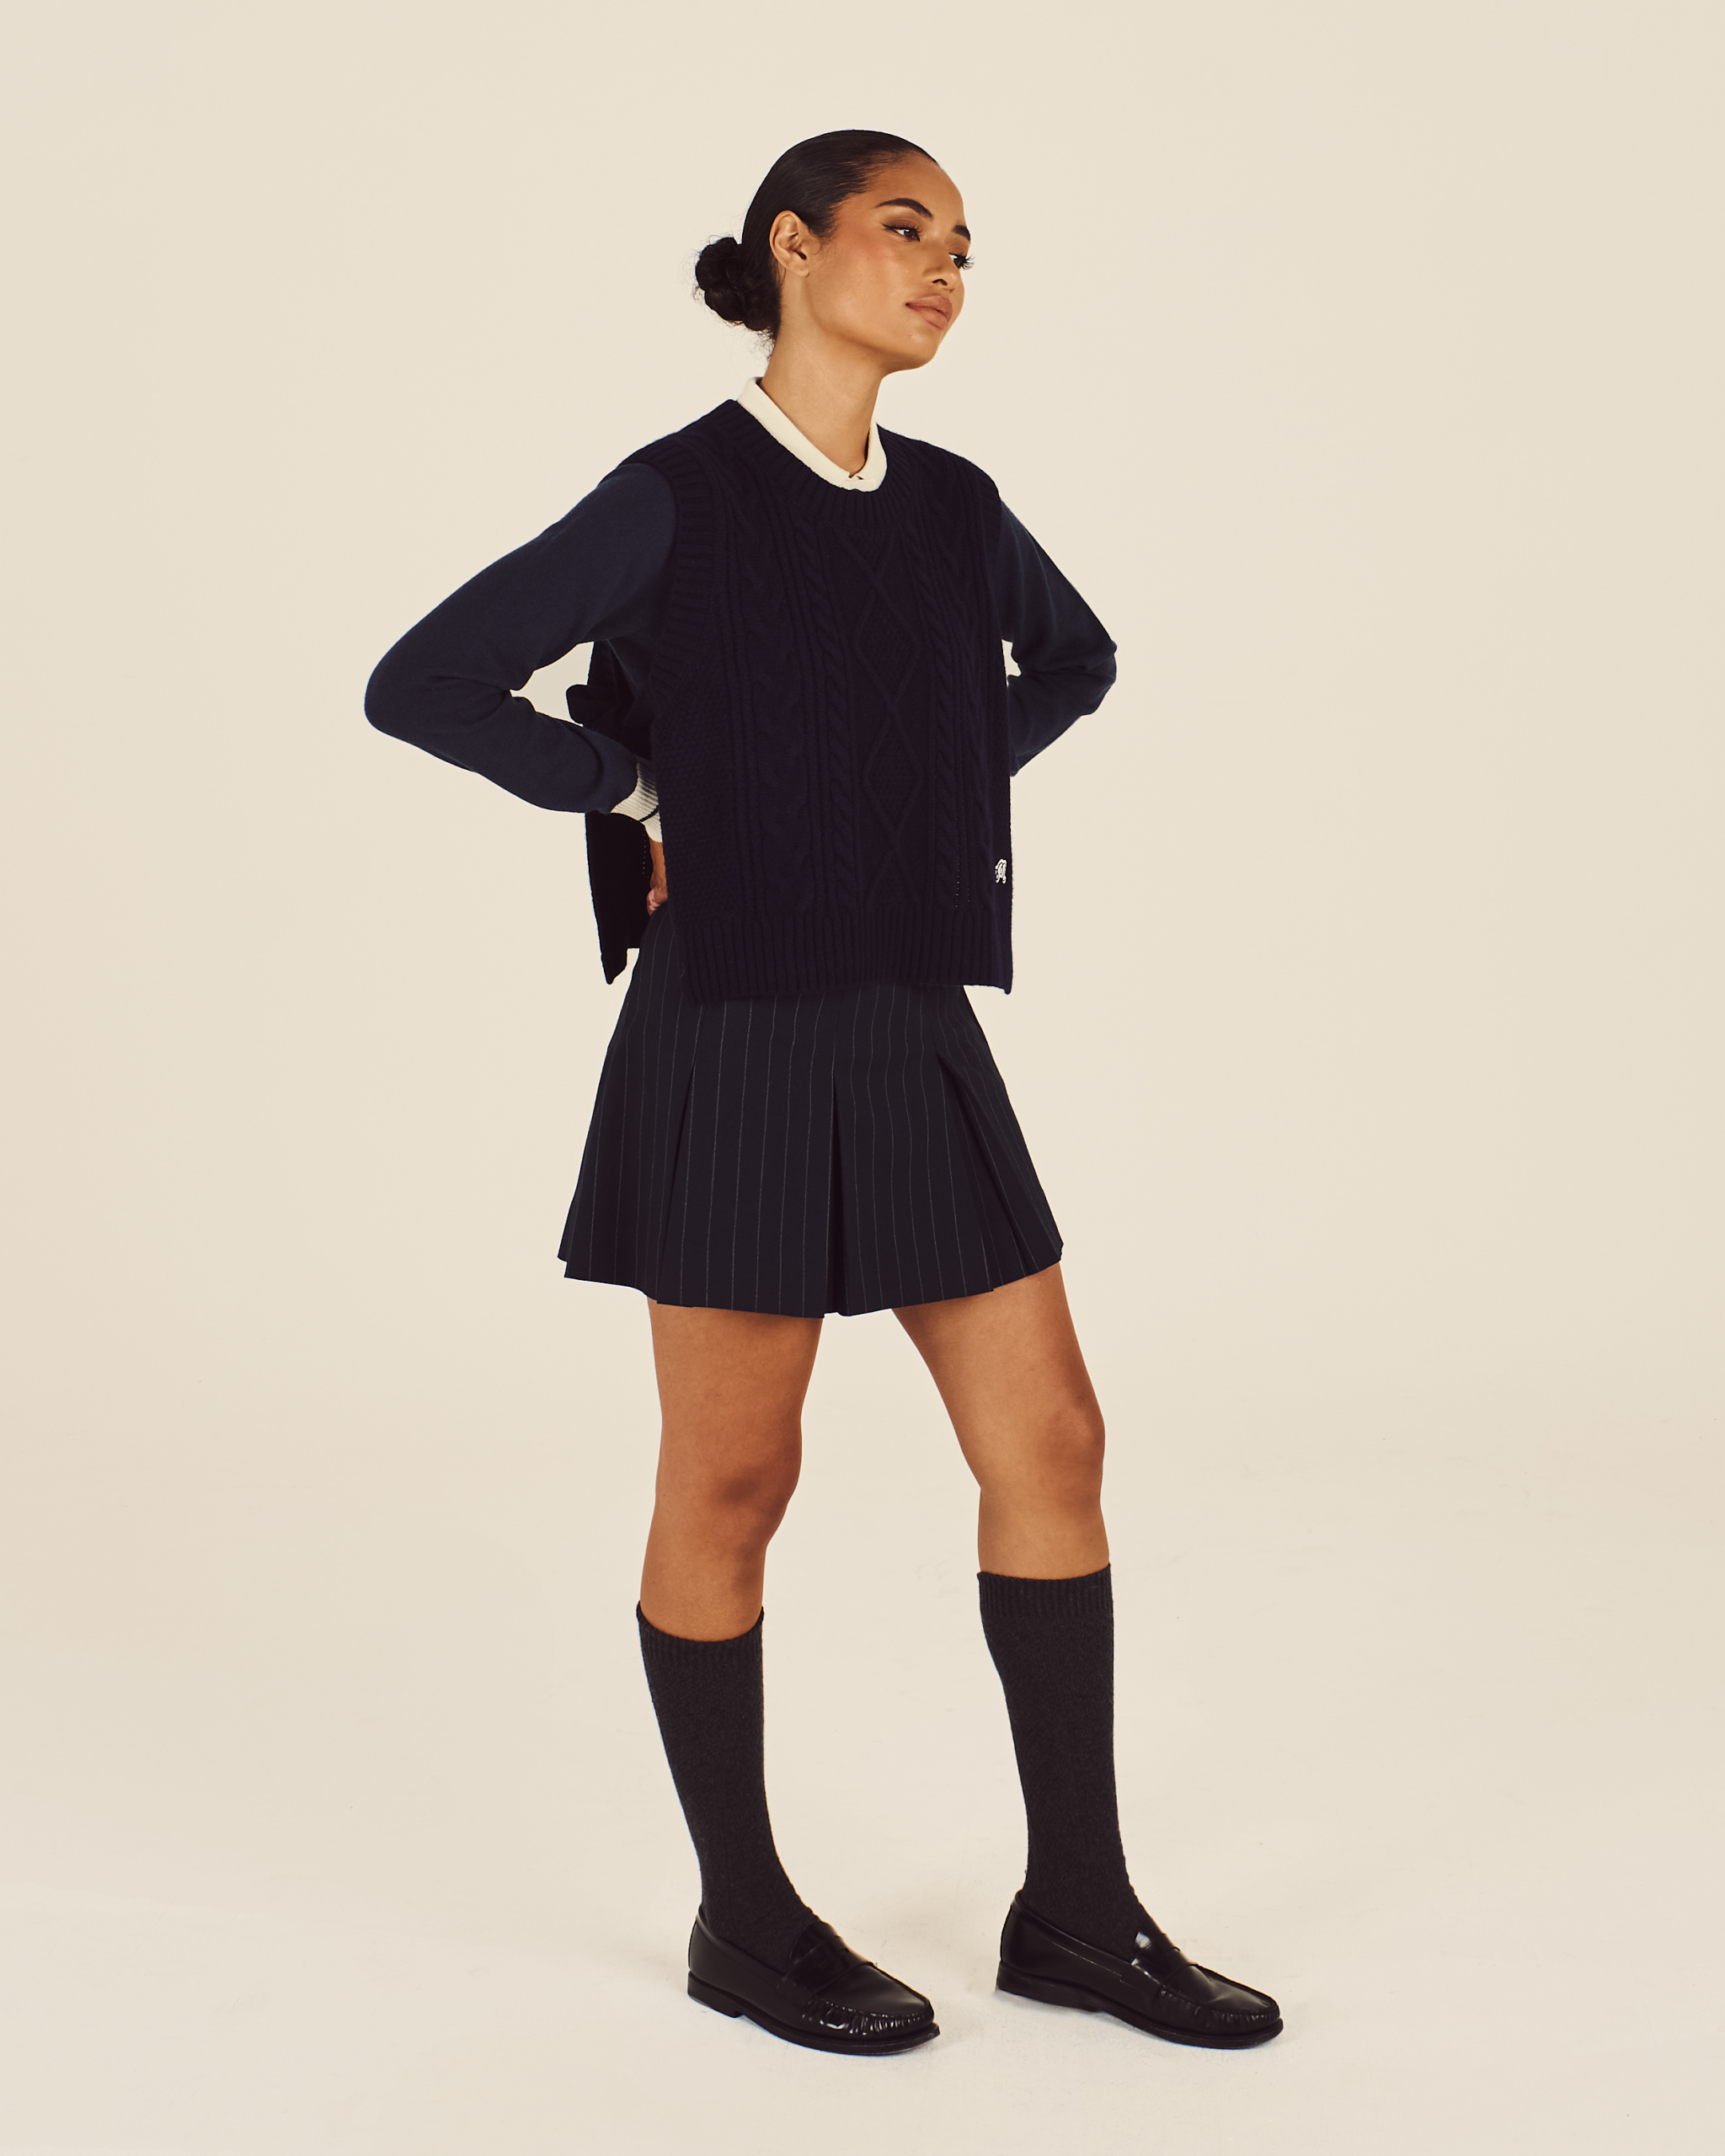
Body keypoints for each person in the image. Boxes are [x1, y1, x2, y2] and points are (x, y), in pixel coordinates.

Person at [366, 129, 1281, 2057]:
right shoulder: (675, 495)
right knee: (733, 1473)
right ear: (793, 247)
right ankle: (746, 1914)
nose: (943, 268)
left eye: (962, 246)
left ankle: (1078, 1906)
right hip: (729, 1030)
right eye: (902, 228)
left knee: (1054, 1438)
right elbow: (426, 678)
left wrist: (932, 779)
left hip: (911, 1023)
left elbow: (1077, 659)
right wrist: (638, 788)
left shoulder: (953, 505)